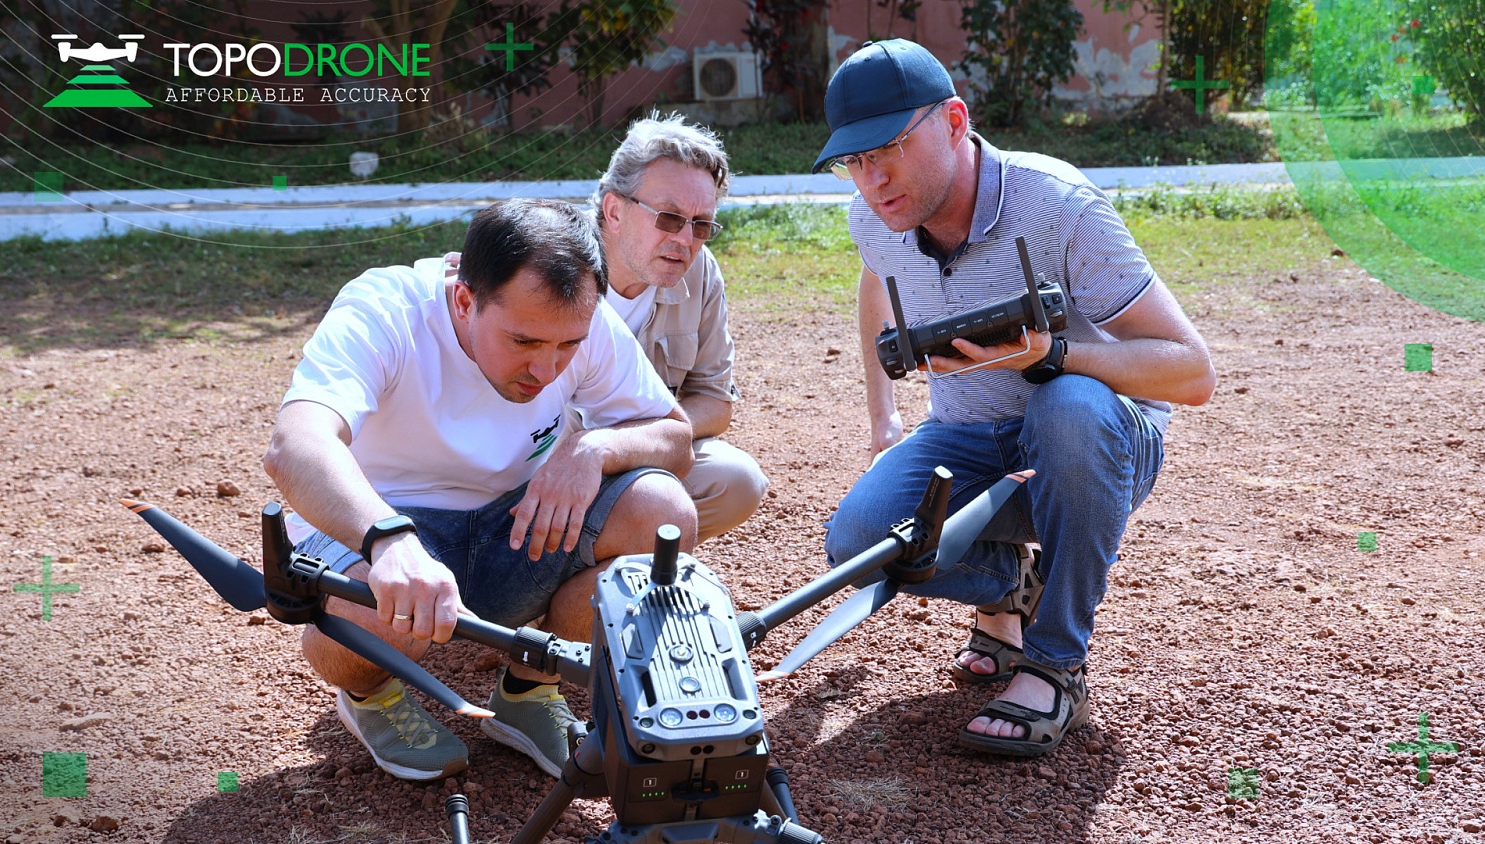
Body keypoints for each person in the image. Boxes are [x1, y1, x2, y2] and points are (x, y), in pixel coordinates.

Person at [814, 40, 1216, 756]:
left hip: (1096, 445)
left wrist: (1052, 356)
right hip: (967, 439)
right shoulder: (876, 216)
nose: (872, 179)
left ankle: (1055, 665)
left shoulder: (1055, 205)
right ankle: (1010, 587)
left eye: (890, 148)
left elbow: (1191, 373)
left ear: (955, 121)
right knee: (856, 541)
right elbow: (876, 277)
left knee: (1066, 405)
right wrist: (884, 417)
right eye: (854, 160)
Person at [263, 198, 697, 783]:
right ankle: (371, 695)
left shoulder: (574, 321)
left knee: (662, 512)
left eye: (568, 346)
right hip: (391, 540)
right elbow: (296, 443)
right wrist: (389, 540)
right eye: (523, 342)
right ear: (465, 300)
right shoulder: (387, 308)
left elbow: (675, 434)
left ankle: (530, 687)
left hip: (516, 527)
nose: (548, 370)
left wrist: (594, 448)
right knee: (361, 612)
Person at [448, 113, 768, 542]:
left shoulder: (700, 273)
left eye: (702, 224)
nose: (686, 240)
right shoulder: (545, 257)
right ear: (614, 210)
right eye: (670, 217)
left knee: (734, 480)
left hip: (621, 457)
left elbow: (714, 400)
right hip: (524, 457)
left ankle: (605, 561)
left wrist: (621, 444)